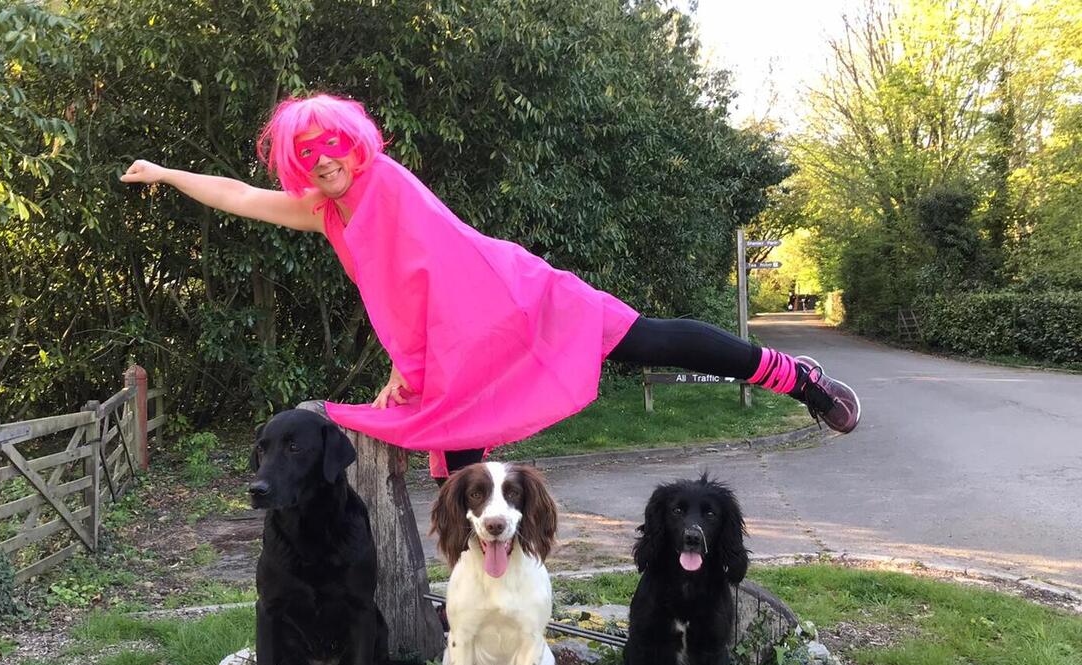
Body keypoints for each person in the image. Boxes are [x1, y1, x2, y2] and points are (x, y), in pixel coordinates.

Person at [121, 94, 860, 483]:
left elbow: (423, 276)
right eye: (307, 157)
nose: (325, 164)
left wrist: (403, 370)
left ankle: (795, 376)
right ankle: (480, 589)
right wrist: (164, 174)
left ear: (355, 142)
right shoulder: (323, 213)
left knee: (648, 339)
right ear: (295, 165)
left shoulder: (384, 183)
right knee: (454, 443)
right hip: (459, 340)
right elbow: (237, 194)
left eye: (334, 148)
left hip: (516, 296)